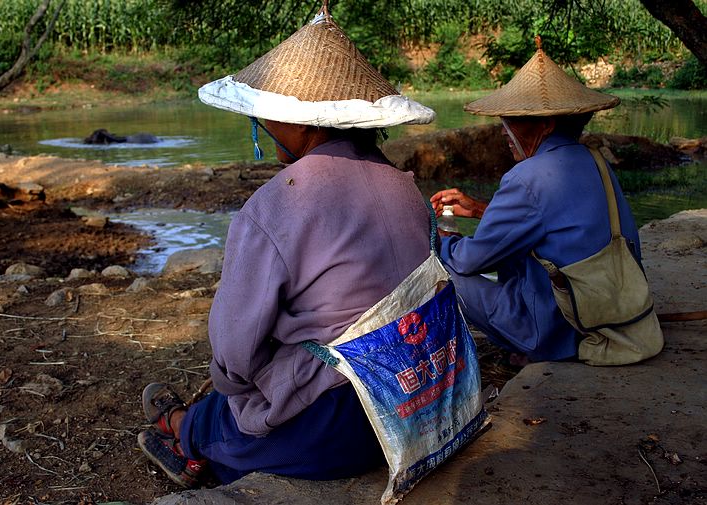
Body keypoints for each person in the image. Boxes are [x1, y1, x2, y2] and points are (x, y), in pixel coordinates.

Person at [137, 3, 436, 488]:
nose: (262, 123)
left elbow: (233, 353)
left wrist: (238, 386)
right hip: (417, 395)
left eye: (269, 115)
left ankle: (180, 431)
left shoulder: (275, 206)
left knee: (227, 412)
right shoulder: (403, 186)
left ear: (304, 124)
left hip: (341, 429)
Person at [430, 37, 641, 363]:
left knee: (440, 272)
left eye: (511, 120)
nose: (503, 130)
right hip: (606, 313)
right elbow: (553, 224)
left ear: (545, 124)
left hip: (562, 329)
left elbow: (469, 261)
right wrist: (480, 209)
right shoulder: (595, 161)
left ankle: (531, 344)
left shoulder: (527, 177)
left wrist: (443, 236)